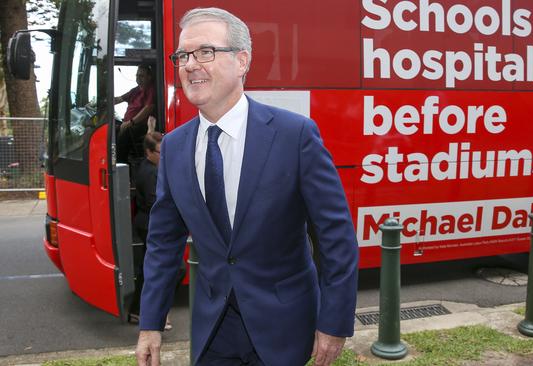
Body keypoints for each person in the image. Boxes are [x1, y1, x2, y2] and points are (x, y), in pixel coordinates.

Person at [135, 7, 359, 366]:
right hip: (212, 330)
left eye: (205, 52)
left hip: (284, 328)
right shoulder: (174, 147)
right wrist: (150, 324)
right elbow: (163, 242)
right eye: (183, 55)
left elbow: (336, 238)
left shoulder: (295, 135)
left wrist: (334, 323)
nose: (190, 64)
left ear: (242, 61)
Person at [129, 131, 172, 330]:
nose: (164, 157)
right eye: (160, 153)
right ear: (148, 152)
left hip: (144, 223)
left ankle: (140, 310)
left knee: (149, 270)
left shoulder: (146, 166)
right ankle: (150, 312)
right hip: (151, 226)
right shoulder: (151, 172)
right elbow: (155, 202)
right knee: (168, 270)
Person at [114, 64, 155, 164]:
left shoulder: (151, 90)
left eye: (141, 76)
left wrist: (130, 122)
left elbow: (148, 108)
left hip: (139, 125)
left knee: (123, 134)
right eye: (137, 76)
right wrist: (103, 101)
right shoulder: (136, 90)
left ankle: (120, 164)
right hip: (127, 122)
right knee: (110, 129)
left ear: (149, 77)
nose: (138, 79)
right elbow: (119, 99)